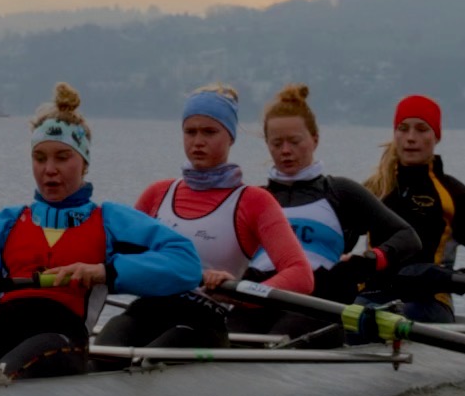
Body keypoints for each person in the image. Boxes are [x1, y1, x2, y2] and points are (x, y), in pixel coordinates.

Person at [0, 82, 202, 378]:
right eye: (40, 158)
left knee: (29, 355)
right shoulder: (2, 225)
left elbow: (186, 264)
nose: (49, 169)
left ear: (84, 162)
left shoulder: (112, 221)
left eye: (62, 157)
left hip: (62, 340)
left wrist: (105, 272)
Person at [104, 85, 317, 348]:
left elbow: (300, 274)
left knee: (151, 358)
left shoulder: (254, 201)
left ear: (230, 137)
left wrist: (241, 294)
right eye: (190, 132)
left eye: (209, 132)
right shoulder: (157, 194)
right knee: (108, 342)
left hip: (202, 320)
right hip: (147, 309)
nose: (198, 142)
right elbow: (116, 257)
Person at [256, 83, 427, 303]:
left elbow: (408, 238)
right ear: (268, 144)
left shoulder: (340, 192)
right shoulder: (254, 198)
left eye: (295, 141)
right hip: (258, 296)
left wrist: (369, 260)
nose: (286, 151)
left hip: (316, 299)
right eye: (277, 143)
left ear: (315, 139)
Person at [363, 93, 465, 320]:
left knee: (397, 316)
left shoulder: (457, 197)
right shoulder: (373, 191)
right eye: (403, 129)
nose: (411, 138)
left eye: (422, 129)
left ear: (436, 137)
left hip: (429, 303)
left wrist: (446, 278)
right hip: (372, 298)